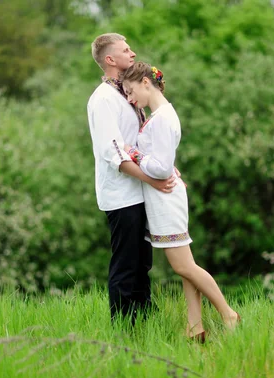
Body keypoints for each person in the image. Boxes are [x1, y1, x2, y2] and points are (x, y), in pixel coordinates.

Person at [121, 62, 240, 342]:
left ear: (146, 83)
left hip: (165, 198)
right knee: (186, 265)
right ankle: (194, 326)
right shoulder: (161, 114)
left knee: (183, 266)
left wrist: (133, 154)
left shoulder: (162, 118)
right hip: (165, 196)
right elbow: (166, 162)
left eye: (130, 91)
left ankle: (227, 313)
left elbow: (161, 168)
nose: (129, 98)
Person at [87, 33, 177, 325]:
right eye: (126, 51)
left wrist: (166, 171)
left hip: (141, 192)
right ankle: (124, 328)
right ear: (110, 60)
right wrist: (153, 181)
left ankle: (145, 321)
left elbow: (141, 145)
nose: (133, 53)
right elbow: (114, 153)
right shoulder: (102, 100)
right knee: (126, 263)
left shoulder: (126, 93)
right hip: (121, 195)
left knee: (143, 263)